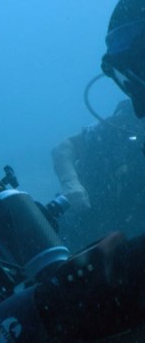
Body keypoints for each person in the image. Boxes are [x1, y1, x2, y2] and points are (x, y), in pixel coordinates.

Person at [50, 99, 145, 251]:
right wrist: (71, 183)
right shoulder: (119, 124)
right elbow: (63, 149)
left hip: (130, 243)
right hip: (80, 223)